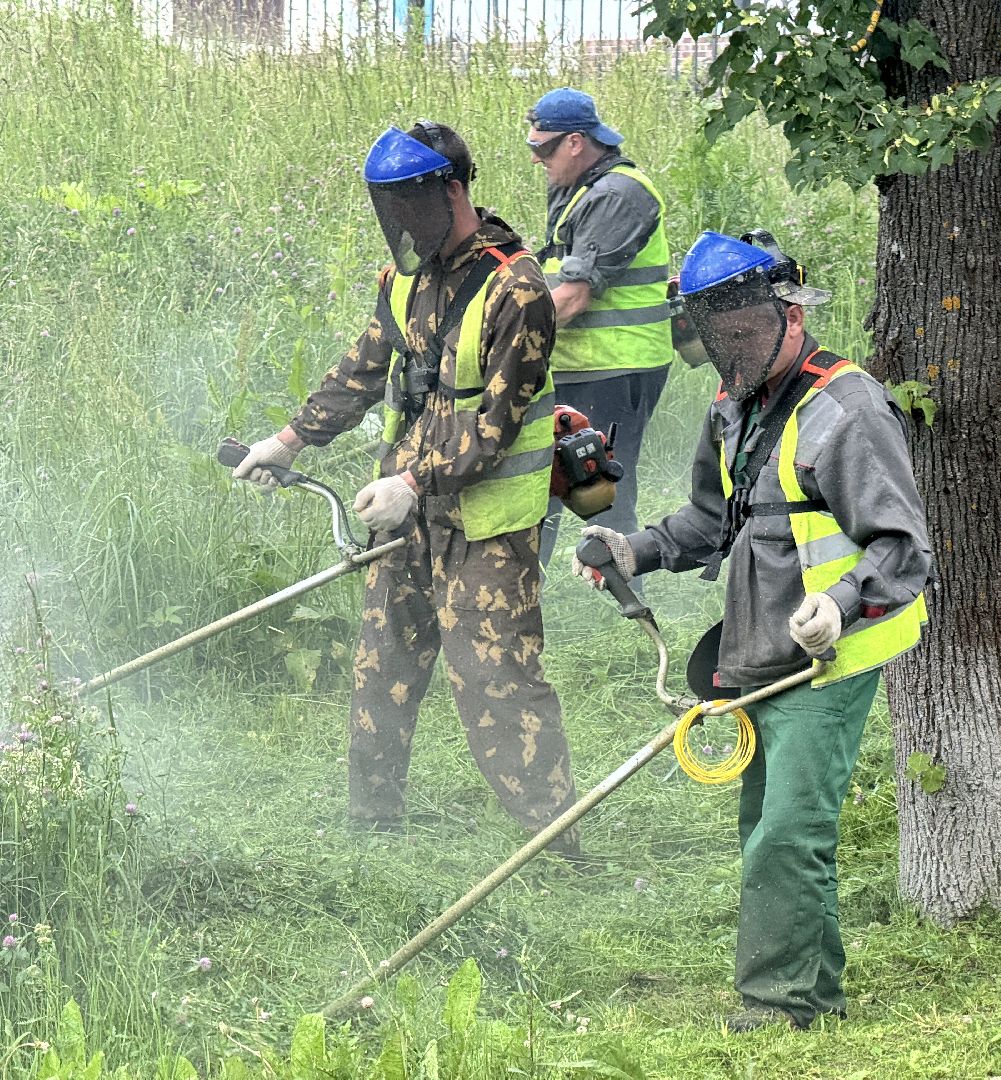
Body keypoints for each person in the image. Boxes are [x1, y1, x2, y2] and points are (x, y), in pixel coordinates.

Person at [573, 231, 931, 1031]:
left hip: (832, 654)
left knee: (787, 835)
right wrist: (638, 548)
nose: (730, 350)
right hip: (760, 647)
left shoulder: (848, 407)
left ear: (789, 312)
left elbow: (904, 547)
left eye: (743, 331)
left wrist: (840, 604)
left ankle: (780, 1005)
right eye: (716, 335)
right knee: (768, 826)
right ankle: (814, 992)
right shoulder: (735, 404)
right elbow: (715, 517)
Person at [233, 122, 578, 848]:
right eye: (386, 208)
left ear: (452, 189)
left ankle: (554, 843)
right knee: (381, 665)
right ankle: (372, 826)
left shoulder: (520, 291)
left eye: (408, 206)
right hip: (404, 517)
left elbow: (497, 425)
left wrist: (415, 481)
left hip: (484, 525)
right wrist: (288, 440)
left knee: (498, 684)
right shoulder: (403, 279)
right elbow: (361, 370)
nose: (398, 224)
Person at [526, 87, 673, 570]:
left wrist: (505, 341)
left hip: (617, 365)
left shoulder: (618, 193)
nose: (536, 159)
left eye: (542, 149)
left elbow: (573, 295)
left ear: (574, 142)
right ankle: (523, 599)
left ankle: (631, 606)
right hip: (580, 365)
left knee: (604, 493)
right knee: (542, 483)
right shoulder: (580, 188)